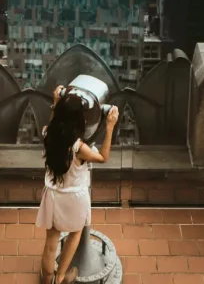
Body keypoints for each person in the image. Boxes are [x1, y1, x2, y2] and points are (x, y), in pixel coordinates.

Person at [36, 85, 119, 284]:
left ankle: (48, 281)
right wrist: (109, 126)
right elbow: (103, 157)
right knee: (75, 234)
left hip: (53, 195)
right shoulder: (79, 148)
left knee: (50, 242)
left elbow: (55, 123)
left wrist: (56, 104)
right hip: (74, 198)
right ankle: (62, 277)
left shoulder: (47, 133)